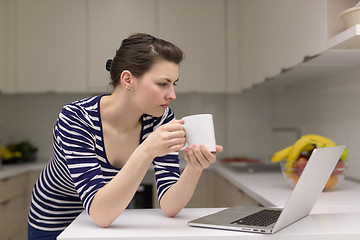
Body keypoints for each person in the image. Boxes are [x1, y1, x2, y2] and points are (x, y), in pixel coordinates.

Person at [27, 33, 223, 239]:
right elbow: (100, 213)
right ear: (128, 79)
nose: (172, 95)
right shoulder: (76, 118)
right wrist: (147, 149)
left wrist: (194, 167)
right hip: (57, 220)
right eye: (163, 84)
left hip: (113, 213)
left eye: (174, 84)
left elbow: (170, 205)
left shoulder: (160, 118)